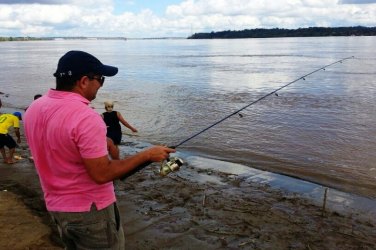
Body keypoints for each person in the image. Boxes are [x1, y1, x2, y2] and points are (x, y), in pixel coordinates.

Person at [24, 50, 175, 249]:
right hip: (91, 212)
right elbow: (102, 174)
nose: (101, 85)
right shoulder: (87, 116)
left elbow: (57, 144)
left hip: (56, 207)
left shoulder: (34, 108)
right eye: (101, 79)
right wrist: (148, 154)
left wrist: (93, 142)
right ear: (84, 81)